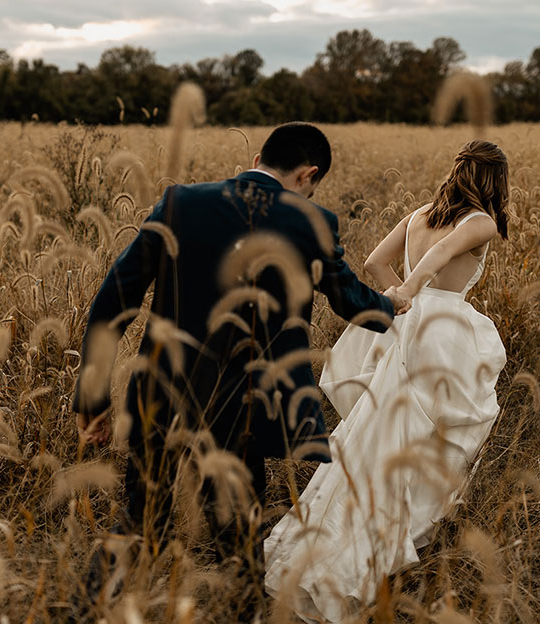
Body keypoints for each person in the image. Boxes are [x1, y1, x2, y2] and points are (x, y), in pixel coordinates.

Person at [72, 122, 409, 617]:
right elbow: (350, 301)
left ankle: (79, 610)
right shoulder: (310, 221)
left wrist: (93, 399)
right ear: (308, 174)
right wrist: (390, 304)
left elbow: (111, 304)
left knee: (141, 521)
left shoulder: (179, 203)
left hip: (161, 396)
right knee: (241, 537)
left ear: (260, 157)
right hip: (245, 410)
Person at [264, 139, 509, 623]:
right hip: (444, 334)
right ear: (496, 180)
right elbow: (441, 253)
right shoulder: (481, 221)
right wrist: (417, 291)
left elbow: (375, 262)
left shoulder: (419, 213)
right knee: (434, 437)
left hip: (409, 327)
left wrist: (402, 300)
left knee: (378, 435)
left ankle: (339, 541)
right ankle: (377, 546)